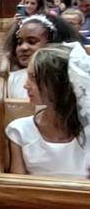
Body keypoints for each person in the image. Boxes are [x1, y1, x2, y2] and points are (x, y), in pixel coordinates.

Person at [6, 43, 90, 176]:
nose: (25, 85)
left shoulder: (87, 133)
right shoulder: (20, 130)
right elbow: (18, 188)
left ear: (60, 83)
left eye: (33, 78)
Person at [2, 14, 80, 98]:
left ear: (53, 44)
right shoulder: (13, 80)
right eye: (19, 42)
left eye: (32, 42)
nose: (23, 48)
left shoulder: (71, 81)